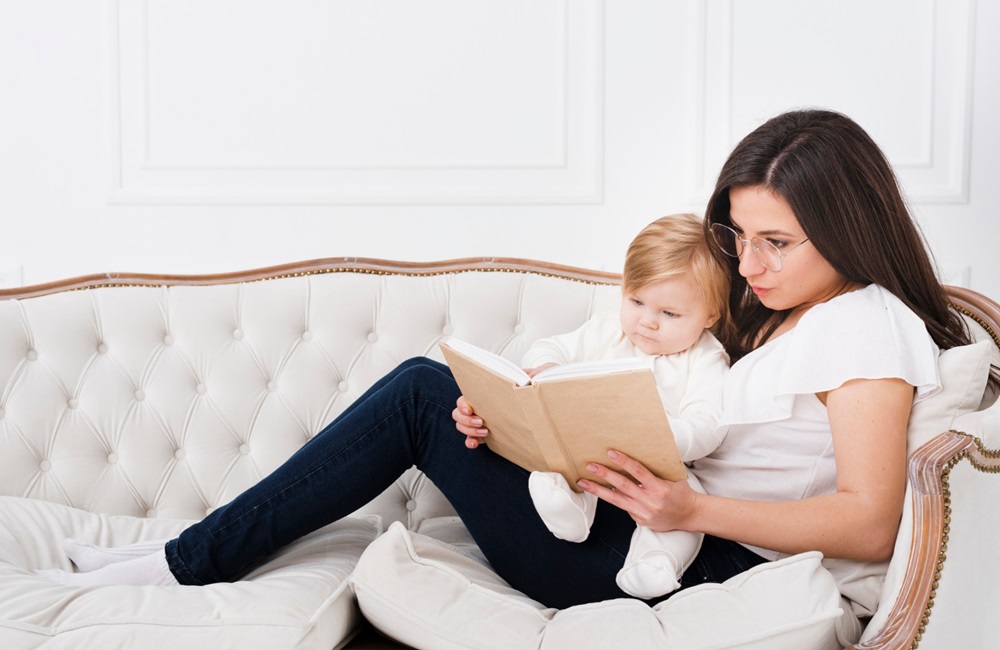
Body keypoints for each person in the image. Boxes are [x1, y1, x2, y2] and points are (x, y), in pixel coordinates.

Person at [36, 109, 993, 616]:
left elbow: (870, 525)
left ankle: (181, 564)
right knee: (448, 398)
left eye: (777, 242)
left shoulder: (865, 325)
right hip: (641, 519)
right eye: (737, 236)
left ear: (845, 226)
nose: (748, 266)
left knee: (416, 391)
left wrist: (688, 508)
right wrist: (526, 422)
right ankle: (178, 557)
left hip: (686, 564)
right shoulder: (779, 315)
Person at [524, 212, 730, 599]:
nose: (647, 322)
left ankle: (654, 564)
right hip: (590, 449)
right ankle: (566, 508)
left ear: (710, 315)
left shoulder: (704, 359)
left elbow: (709, 425)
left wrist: (661, 432)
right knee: (557, 464)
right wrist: (549, 370)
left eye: (669, 313)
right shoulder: (606, 330)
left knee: (688, 503)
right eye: (636, 301)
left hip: (662, 474)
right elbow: (550, 348)